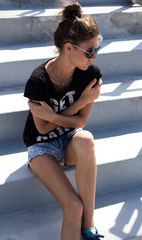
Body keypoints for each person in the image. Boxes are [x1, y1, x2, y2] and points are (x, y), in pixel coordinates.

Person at [23, 1, 104, 239]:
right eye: (90, 51)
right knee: (73, 206)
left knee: (86, 139)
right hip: (41, 147)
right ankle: (82, 218)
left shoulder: (91, 75)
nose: (95, 56)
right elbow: (43, 127)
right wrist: (77, 104)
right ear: (69, 48)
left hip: (69, 140)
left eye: (98, 48)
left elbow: (81, 123)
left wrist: (55, 115)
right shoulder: (38, 80)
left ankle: (89, 225)